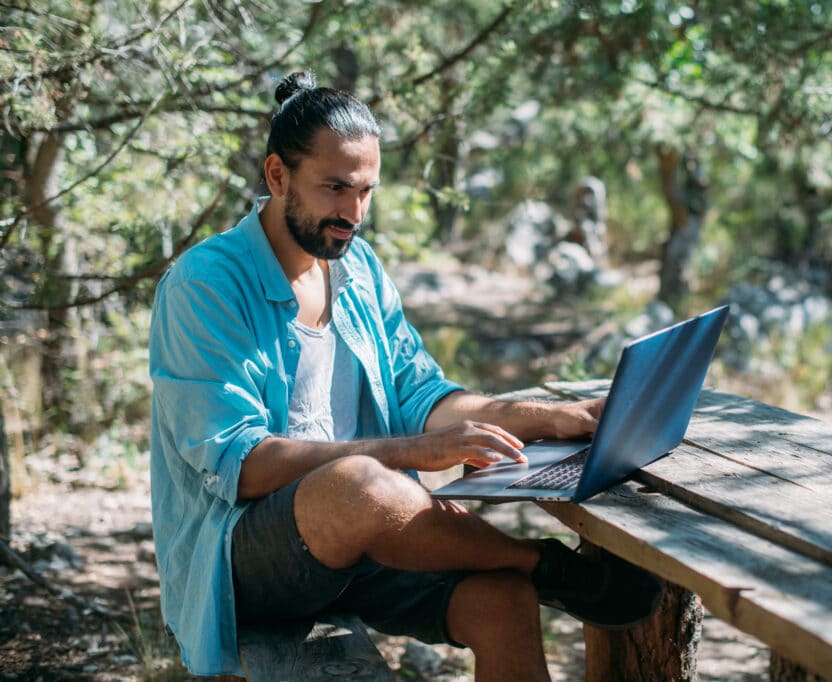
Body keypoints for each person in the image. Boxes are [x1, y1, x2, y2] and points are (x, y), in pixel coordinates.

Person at [148, 71, 663, 681]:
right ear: (277, 176)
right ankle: (550, 567)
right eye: (335, 188)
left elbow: (423, 396)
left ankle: (536, 578)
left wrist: (549, 416)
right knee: (362, 484)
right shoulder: (206, 285)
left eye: (366, 191)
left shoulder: (357, 268)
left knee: (502, 602)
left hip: (360, 546)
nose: (353, 213)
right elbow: (244, 465)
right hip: (243, 564)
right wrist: (411, 451)